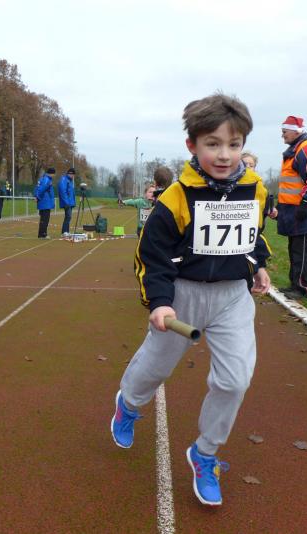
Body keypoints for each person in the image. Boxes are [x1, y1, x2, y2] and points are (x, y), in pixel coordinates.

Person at [110, 93, 272, 506]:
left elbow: (254, 237)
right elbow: (152, 256)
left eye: (234, 144)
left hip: (233, 299)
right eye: (213, 144)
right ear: (192, 146)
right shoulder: (175, 199)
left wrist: (257, 264)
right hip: (183, 295)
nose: (224, 155)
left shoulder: (255, 190)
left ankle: (205, 453)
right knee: (155, 367)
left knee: (235, 380)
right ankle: (129, 404)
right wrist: (160, 302)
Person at [277, 115, 307, 300]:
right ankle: (295, 283)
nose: (282, 135)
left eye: (284, 132)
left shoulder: (306, 148)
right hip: (293, 210)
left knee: (302, 250)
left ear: (296, 131)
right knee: (295, 249)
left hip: (304, 210)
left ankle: (302, 287)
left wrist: (305, 202)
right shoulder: (295, 150)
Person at [34, 167, 55, 238]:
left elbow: (37, 188)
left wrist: (36, 196)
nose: (54, 176)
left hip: (43, 202)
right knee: (45, 219)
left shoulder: (42, 179)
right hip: (45, 202)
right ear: (51, 173)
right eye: (53, 174)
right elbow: (41, 189)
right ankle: (43, 234)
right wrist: (37, 197)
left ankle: (41, 234)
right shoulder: (46, 180)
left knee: (43, 218)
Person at [58, 168, 77, 236]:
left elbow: (71, 193)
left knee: (68, 217)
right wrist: (66, 202)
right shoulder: (64, 180)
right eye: (72, 175)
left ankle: (67, 231)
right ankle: (64, 232)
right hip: (67, 202)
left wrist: (73, 202)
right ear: (70, 173)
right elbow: (63, 191)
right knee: (68, 216)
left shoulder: (69, 181)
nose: (73, 176)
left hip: (70, 202)